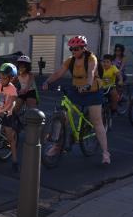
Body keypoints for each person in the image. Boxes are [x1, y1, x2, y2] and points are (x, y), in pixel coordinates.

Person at [42, 35, 111, 164]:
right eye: (71, 49)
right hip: (77, 90)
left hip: (93, 92)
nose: (74, 51)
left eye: (76, 49)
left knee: (96, 121)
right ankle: (58, 146)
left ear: (84, 48)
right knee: (64, 118)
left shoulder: (91, 58)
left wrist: (88, 85)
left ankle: (106, 153)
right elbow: (59, 73)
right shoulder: (71, 60)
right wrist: (47, 81)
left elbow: (91, 73)